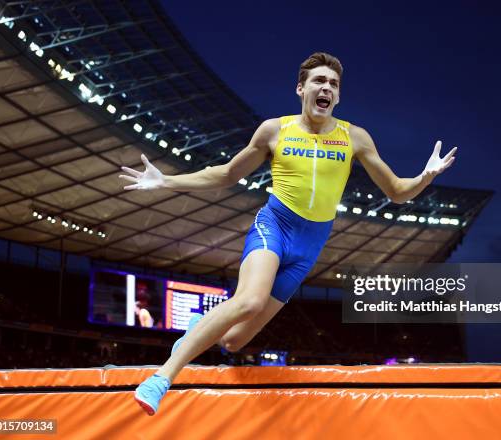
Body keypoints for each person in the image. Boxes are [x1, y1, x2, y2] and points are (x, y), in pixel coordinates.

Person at [119, 52, 457, 415]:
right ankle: (161, 379)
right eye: (319, 81)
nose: (326, 87)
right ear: (301, 88)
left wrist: (425, 178)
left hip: (309, 246)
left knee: (233, 341)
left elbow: (396, 191)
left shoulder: (355, 138)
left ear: (338, 97)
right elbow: (228, 174)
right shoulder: (274, 130)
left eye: (333, 84)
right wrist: (167, 180)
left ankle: (201, 325)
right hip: (275, 226)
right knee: (248, 301)